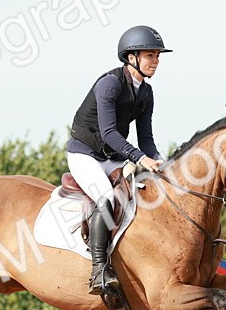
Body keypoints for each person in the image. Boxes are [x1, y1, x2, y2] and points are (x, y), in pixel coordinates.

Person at [67, 24, 171, 295]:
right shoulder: (110, 84)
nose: (156, 61)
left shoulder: (146, 92)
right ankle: (99, 270)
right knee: (106, 197)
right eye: (150, 55)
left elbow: (146, 139)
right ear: (131, 57)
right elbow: (109, 133)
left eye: (157, 56)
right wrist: (140, 159)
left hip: (112, 157)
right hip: (84, 154)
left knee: (145, 193)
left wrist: (162, 163)